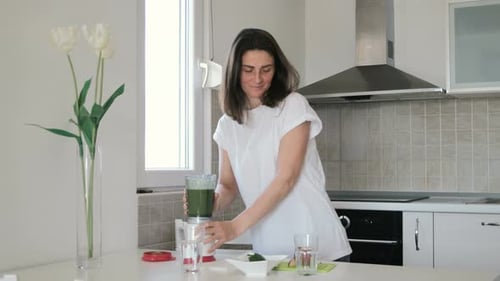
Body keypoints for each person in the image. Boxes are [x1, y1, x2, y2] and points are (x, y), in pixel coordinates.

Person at [205, 28, 351, 261]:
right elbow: (228, 185)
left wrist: (234, 227)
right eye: (248, 70)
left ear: (277, 69)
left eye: (266, 69)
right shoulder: (227, 125)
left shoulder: (292, 106)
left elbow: (286, 179)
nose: (258, 79)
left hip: (314, 246)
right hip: (269, 252)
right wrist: (211, 202)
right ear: (234, 72)